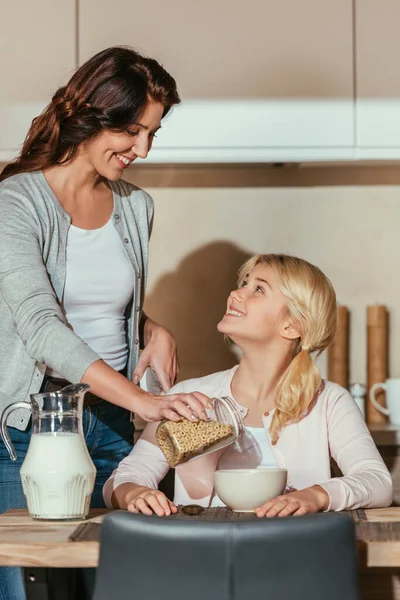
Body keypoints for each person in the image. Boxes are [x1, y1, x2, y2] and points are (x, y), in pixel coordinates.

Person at [0, 46, 210, 599]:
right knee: (30, 589)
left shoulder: (135, 207)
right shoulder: (15, 204)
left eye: (152, 134)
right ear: (93, 115)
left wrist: (149, 326)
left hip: (112, 430)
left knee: (119, 588)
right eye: (133, 131)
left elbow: (101, 305)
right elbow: (42, 327)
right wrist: (145, 403)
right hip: (31, 432)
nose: (141, 149)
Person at [104, 253, 393, 517]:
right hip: (204, 555)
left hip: (295, 556)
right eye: (244, 283)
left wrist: (316, 496)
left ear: (291, 326)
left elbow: (377, 481)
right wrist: (133, 492)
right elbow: (127, 476)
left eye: (258, 288)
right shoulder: (188, 398)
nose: (234, 294)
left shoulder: (329, 402)